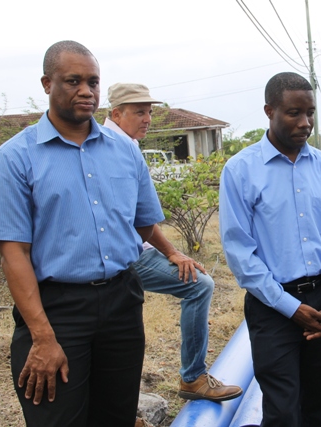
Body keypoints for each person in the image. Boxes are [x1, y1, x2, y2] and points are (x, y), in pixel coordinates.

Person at [0, 41, 166, 426]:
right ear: (47, 84)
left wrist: (175, 254)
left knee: (115, 414)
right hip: (57, 311)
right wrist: (43, 338)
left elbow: (143, 221)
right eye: (73, 81)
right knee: (58, 417)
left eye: (93, 82)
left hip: (122, 301)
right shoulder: (15, 157)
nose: (86, 90)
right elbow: (13, 254)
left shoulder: (125, 151)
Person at [219, 72, 321, 427]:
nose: (305, 122)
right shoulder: (240, 171)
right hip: (272, 306)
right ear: (269, 111)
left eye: (310, 113)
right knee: (281, 412)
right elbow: (239, 252)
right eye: (294, 113)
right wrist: (291, 309)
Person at [103, 82, 242, 402]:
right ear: (116, 113)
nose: (148, 118)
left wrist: (172, 252)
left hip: (134, 249)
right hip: (121, 254)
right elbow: (138, 220)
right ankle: (192, 378)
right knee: (198, 285)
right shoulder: (113, 146)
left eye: (149, 111)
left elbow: (140, 217)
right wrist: (174, 252)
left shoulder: (124, 144)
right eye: (140, 112)